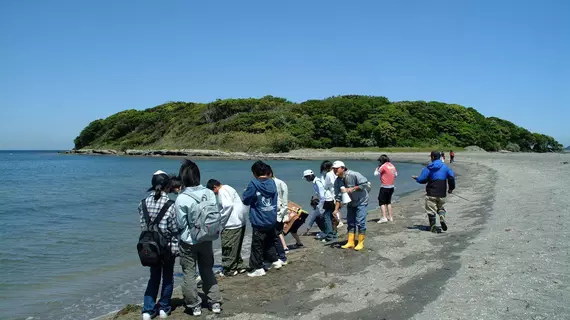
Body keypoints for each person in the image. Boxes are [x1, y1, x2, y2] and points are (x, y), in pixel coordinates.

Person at [175, 160, 222, 316]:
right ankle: (214, 302)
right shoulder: (208, 193)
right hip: (206, 238)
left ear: (183, 178)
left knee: (189, 273)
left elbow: (181, 223)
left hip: (188, 241)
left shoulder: (181, 198)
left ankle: (194, 305)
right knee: (207, 269)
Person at [139, 170, 178, 320]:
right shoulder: (170, 204)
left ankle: (147, 310)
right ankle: (163, 308)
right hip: (166, 247)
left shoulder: (142, 203)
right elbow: (174, 230)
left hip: (149, 247)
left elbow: (143, 226)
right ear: (167, 186)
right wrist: (175, 249)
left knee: (153, 278)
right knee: (167, 277)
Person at [242, 160, 281, 277]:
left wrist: (251, 196)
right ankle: (273, 260)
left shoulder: (253, 183)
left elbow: (246, 199)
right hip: (271, 217)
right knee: (269, 241)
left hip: (259, 219)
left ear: (255, 172)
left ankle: (257, 267)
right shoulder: (272, 182)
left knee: (257, 244)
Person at [206, 179, 248, 277]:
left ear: (215, 188)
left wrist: (221, 219)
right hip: (239, 221)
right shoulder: (229, 188)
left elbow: (228, 206)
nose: (214, 194)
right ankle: (239, 265)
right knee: (236, 247)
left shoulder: (222, 191)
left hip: (231, 224)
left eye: (213, 192)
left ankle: (229, 269)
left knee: (228, 246)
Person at [412, 151, 456, 233]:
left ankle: (433, 227)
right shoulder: (445, 167)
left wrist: (417, 179)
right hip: (442, 193)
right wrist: (451, 189)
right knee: (440, 207)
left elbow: (422, 179)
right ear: (439, 157)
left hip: (431, 193)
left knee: (430, 210)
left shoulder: (429, 167)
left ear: (432, 157)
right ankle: (442, 216)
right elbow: (451, 178)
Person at [332, 161, 370, 251]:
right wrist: (336, 210)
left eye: (336, 168)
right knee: (350, 222)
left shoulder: (353, 174)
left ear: (342, 168)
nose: (334, 170)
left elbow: (365, 183)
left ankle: (360, 242)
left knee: (360, 221)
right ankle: (350, 241)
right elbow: (338, 196)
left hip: (361, 200)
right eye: (333, 169)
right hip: (350, 202)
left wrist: (352, 189)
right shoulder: (337, 181)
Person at [303, 169, 337, 242]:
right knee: (329, 218)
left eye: (306, 177)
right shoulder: (316, 181)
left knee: (327, 219)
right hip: (328, 200)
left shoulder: (318, 182)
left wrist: (320, 207)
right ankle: (332, 234)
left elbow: (322, 195)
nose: (306, 179)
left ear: (310, 176)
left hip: (327, 201)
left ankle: (330, 236)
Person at [269, 168, 289, 264]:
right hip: (276, 213)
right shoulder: (279, 183)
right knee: (276, 235)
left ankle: (281, 256)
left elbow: (284, 201)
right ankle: (280, 254)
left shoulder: (278, 183)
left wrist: (284, 217)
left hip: (277, 213)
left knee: (276, 235)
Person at [374, 155, 398, 224]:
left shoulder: (383, 166)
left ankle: (384, 217)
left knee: (381, 201)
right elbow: (396, 175)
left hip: (384, 186)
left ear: (382, 161)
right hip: (391, 186)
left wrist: (377, 168)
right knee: (388, 202)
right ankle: (390, 217)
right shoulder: (392, 166)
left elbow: (375, 174)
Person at [321, 160, 343, 228]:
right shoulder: (337, 173)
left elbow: (326, 185)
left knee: (335, 208)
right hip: (340, 191)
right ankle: (339, 221)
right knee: (337, 207)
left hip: (333, 193)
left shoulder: (328, 174)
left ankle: (339, 222)